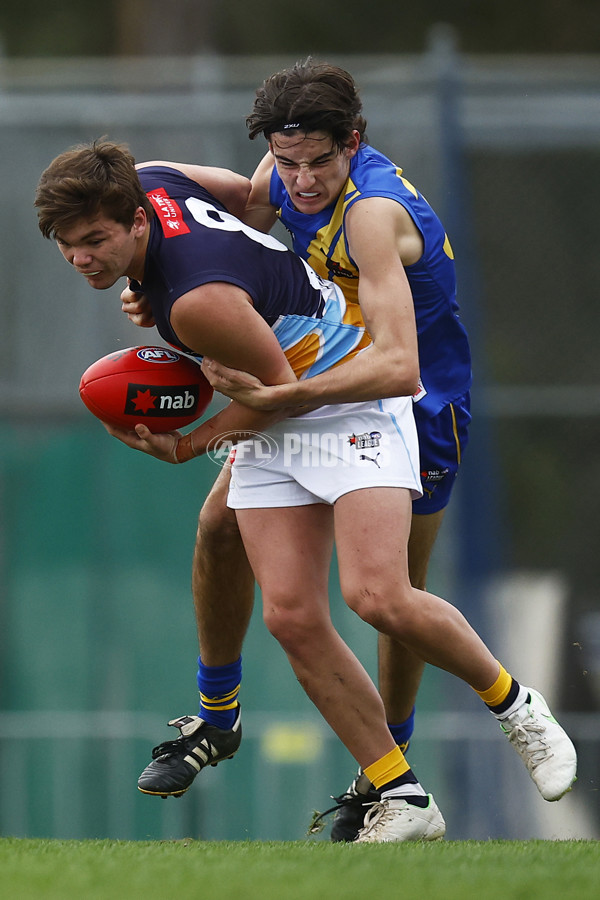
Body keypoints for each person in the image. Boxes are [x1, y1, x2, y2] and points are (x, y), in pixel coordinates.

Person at [35, 139, 577, 843]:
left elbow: (278, 396)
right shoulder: (154, 180)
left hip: (340, 400)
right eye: (68, 245)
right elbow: (238, 195)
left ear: (138, 220)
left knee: (378, 595)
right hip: (276, 403)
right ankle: (402, 794)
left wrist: (191, 443)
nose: (81, 258)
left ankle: (517, 708)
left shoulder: (199, 303)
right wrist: (154, 272)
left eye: (96, 241)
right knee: (289, 616)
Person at [122, 58, 472, 841]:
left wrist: (269, 402)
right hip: (323, 372)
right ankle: (218, 716)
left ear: (354, 142)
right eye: (288, 160)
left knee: (393, 600)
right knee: (219, 528)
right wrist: (147, 277)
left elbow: (399, 361)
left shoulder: (374, 210)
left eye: (318, 161)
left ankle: (387, 771)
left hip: (420, 398)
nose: (300, 181)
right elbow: (247, 206)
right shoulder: (283, 173)